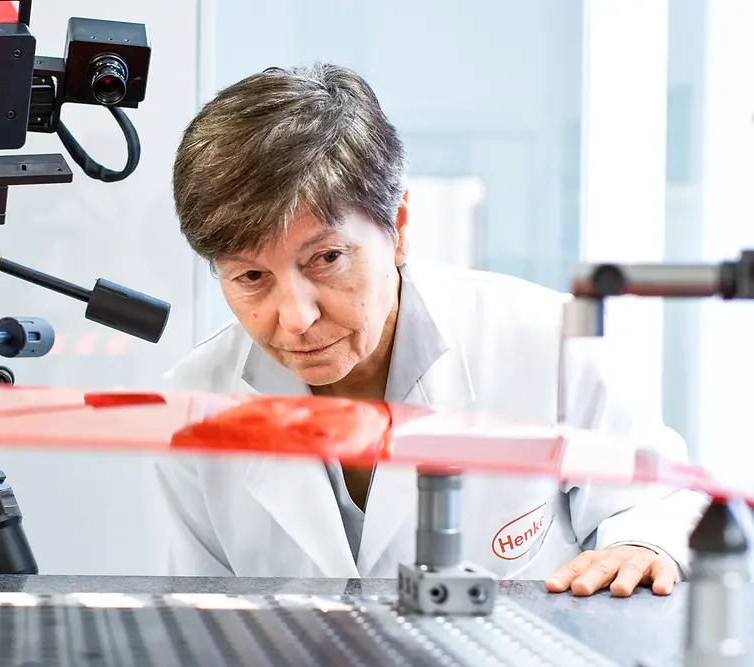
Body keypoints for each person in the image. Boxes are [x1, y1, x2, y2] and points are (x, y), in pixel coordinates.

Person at [154, 62, 707, 597]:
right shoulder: (196, 404)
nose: (295, 317)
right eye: (251, 276)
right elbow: (202, 617)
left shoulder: (549, 342)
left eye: (325, 259)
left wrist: (642, 544)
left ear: (397, 228)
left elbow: (657, 505)